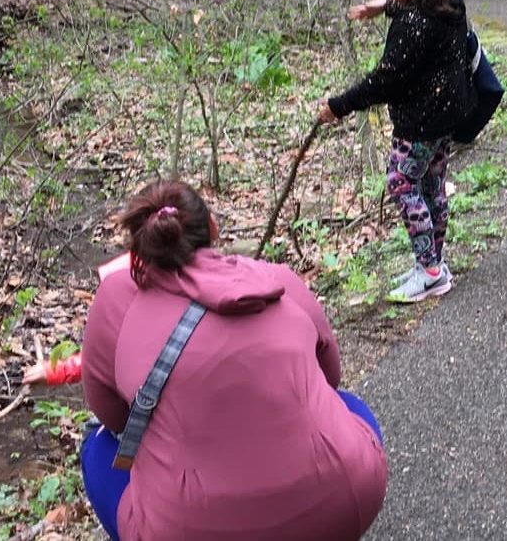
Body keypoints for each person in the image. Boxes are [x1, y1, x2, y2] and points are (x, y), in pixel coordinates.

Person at [78, 181, 387, 541]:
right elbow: (330, 376)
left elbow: (113, 417)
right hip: (341, 506)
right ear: (213, 229)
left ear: (139, 247)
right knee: (347, 406)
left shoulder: (115, 299)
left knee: (98, 447)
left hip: (189, 528)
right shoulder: (275, 278)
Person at [319, 0, 475, 302]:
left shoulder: (413, 23)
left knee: (402, 183)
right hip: (447, 113)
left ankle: (430, 272)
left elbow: (384, 81)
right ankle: (434, 264)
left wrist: (337, 106)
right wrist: (383, 6)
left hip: (421, 120)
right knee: (432, 186)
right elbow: (419, 7)